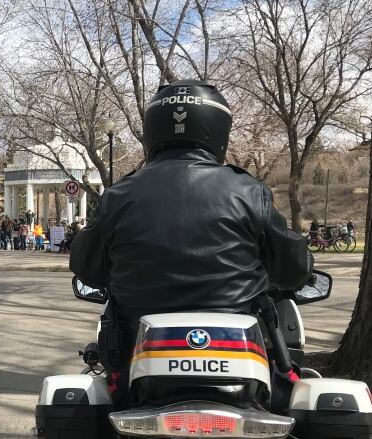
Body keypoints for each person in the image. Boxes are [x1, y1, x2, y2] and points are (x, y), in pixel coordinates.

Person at [70, 80, 313, 409]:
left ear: (153, 130)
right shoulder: (249, 192)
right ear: (217, 129)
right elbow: (294, 267)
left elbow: (86, 268)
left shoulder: (119, 196)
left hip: (136, 359)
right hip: (239, 355)